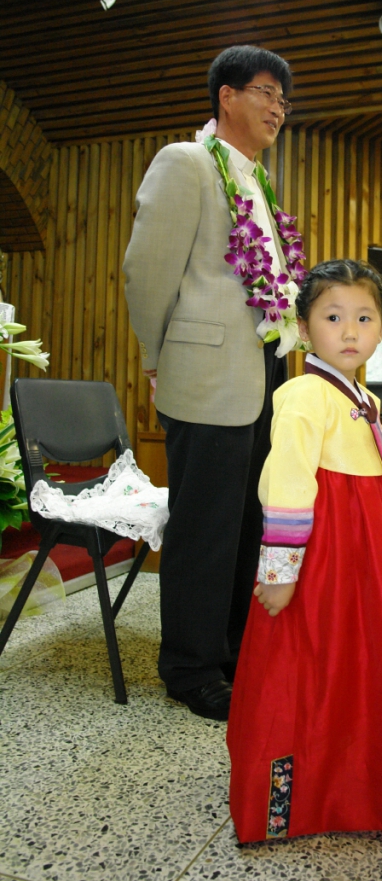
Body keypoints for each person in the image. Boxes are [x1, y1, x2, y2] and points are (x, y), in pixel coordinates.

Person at [227, 259, 382, 842]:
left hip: (371, 553)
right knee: (309, 660)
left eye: (364, 317)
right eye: (332, 318)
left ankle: (366, 784)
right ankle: (295, 799)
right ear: (304, 328)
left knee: (370, 654)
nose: (350, 331)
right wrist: (280, 571)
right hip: (323, 554)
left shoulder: (364, 397)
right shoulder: (303, 394)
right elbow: (286, 482)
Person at [123, 45, 296, 721]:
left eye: (283, 99)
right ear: (226, 96)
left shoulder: (258, 181)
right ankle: (189, 668)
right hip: (205, 372)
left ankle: (230, 651)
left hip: (262, 374)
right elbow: (147, 271)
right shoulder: (187, 162)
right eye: (265, 92)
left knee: (248, 523)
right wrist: (155, 355)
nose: (277, 108)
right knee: (205, 528)